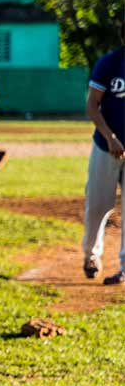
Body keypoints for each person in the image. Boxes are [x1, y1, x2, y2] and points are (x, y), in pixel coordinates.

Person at [81, 19, 125, 283]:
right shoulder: (109, 63)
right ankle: (91, 254)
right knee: (98, 205)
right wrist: (111, 138)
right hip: (106, 147)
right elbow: (92, 106)